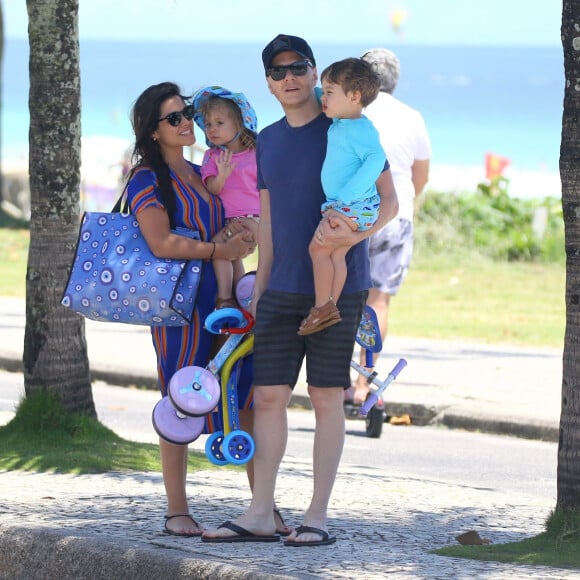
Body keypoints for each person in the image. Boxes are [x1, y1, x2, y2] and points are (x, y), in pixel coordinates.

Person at [202, 34, 398, 546]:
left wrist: (351, 236)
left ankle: (316, 517)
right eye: (278, 71)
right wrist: (259, 288)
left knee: (326, 397)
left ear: (315, 74)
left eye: (298, 67)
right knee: (267, 397)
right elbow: (267, 220)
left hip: (337, 288)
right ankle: (261, 513)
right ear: (268, 84)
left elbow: (390, 204)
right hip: (280, 288)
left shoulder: (346, 127)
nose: (289, 77)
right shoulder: (266, 140)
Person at [124, 82, 256, 537]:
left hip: (228, 300)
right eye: (175, 118)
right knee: (180, 400)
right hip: (178, 306)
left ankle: (262, 507)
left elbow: (236, 219)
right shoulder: (146, 178)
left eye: (189, 115)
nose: (188, 123)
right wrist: (218, 252)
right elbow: (161, 243)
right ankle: (176, 509)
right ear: (153, 131)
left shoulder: (205, 171)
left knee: (245, 392)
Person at [348, 48, 431, 405]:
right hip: (396, 216)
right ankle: (363, 384)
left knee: (345, 297)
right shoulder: (412, 117)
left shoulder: (352, 112)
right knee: (379, 301)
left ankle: (335, 376)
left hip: (352, 216)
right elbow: (420, 175)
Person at [298, 57, 385, 336]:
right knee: (336, 253)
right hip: (351, 206)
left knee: (319, 249)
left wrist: (346, 198)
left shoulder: (359, 129)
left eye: (329, 92)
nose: (322, 96)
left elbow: (376, 158)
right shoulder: (345, 122)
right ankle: (329, 307)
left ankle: (322, 307)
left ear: (354, 97)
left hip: (351, 205)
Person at [193, 86, 260, 309]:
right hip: (231, 221)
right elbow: (212, 188)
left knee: (218, 246)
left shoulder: (256, 153)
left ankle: (225, 299)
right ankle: (239, 296)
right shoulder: (212, 156)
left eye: (219, 123)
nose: (212, 129)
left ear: (239, 124)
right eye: (208, 124)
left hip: (255, 219)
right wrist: (222, 176)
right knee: (229, 254)